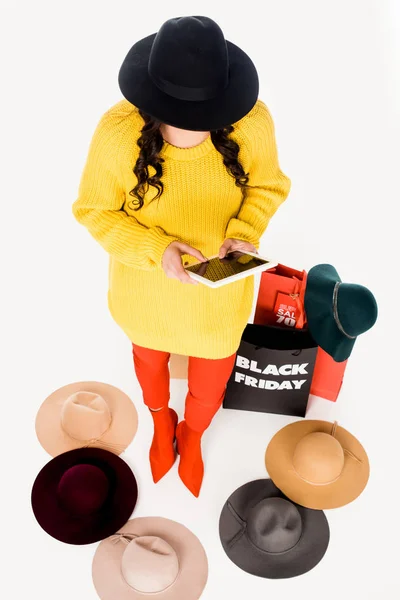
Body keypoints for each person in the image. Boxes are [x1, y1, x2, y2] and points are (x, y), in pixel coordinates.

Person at [73, 16, 291, 497]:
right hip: (144, 293)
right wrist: (158, 249)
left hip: (219, 300)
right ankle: (159, 418)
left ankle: (191, 432)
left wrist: (244, 233)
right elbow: (93, 211)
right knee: (149, 367)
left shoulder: (253, 122)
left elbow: (269, 186)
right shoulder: (117, 132)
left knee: (211, 380)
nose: (190, 127)